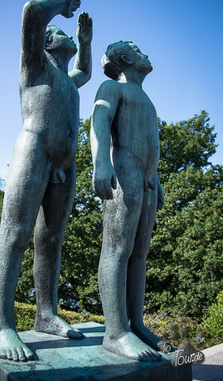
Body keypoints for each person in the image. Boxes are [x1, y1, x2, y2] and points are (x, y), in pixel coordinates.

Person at [0, 0, 92, 362]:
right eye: (61, 33)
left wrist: (87, 42)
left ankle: (46, 314)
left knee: (52, 239)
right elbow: (31, 12)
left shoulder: (68, 80)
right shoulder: (35, 65)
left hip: (65, 162)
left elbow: (86, 73)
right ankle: (0, 326)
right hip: (33, 150)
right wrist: (61, 5)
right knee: (15, 234)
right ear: (47, 42)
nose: (68, 38)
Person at [90, 41, 164, 362]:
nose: (144, 52)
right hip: (124, 170)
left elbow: (149, 141)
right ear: (125, 59)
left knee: (140, 252)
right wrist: (101, 162)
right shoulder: (111, 86)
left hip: (147, 178)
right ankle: (116, 332)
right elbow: (100, 120)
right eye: (136, 48)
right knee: (118, 248)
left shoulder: (145, 98)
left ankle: (136, 323)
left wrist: (157, 179)